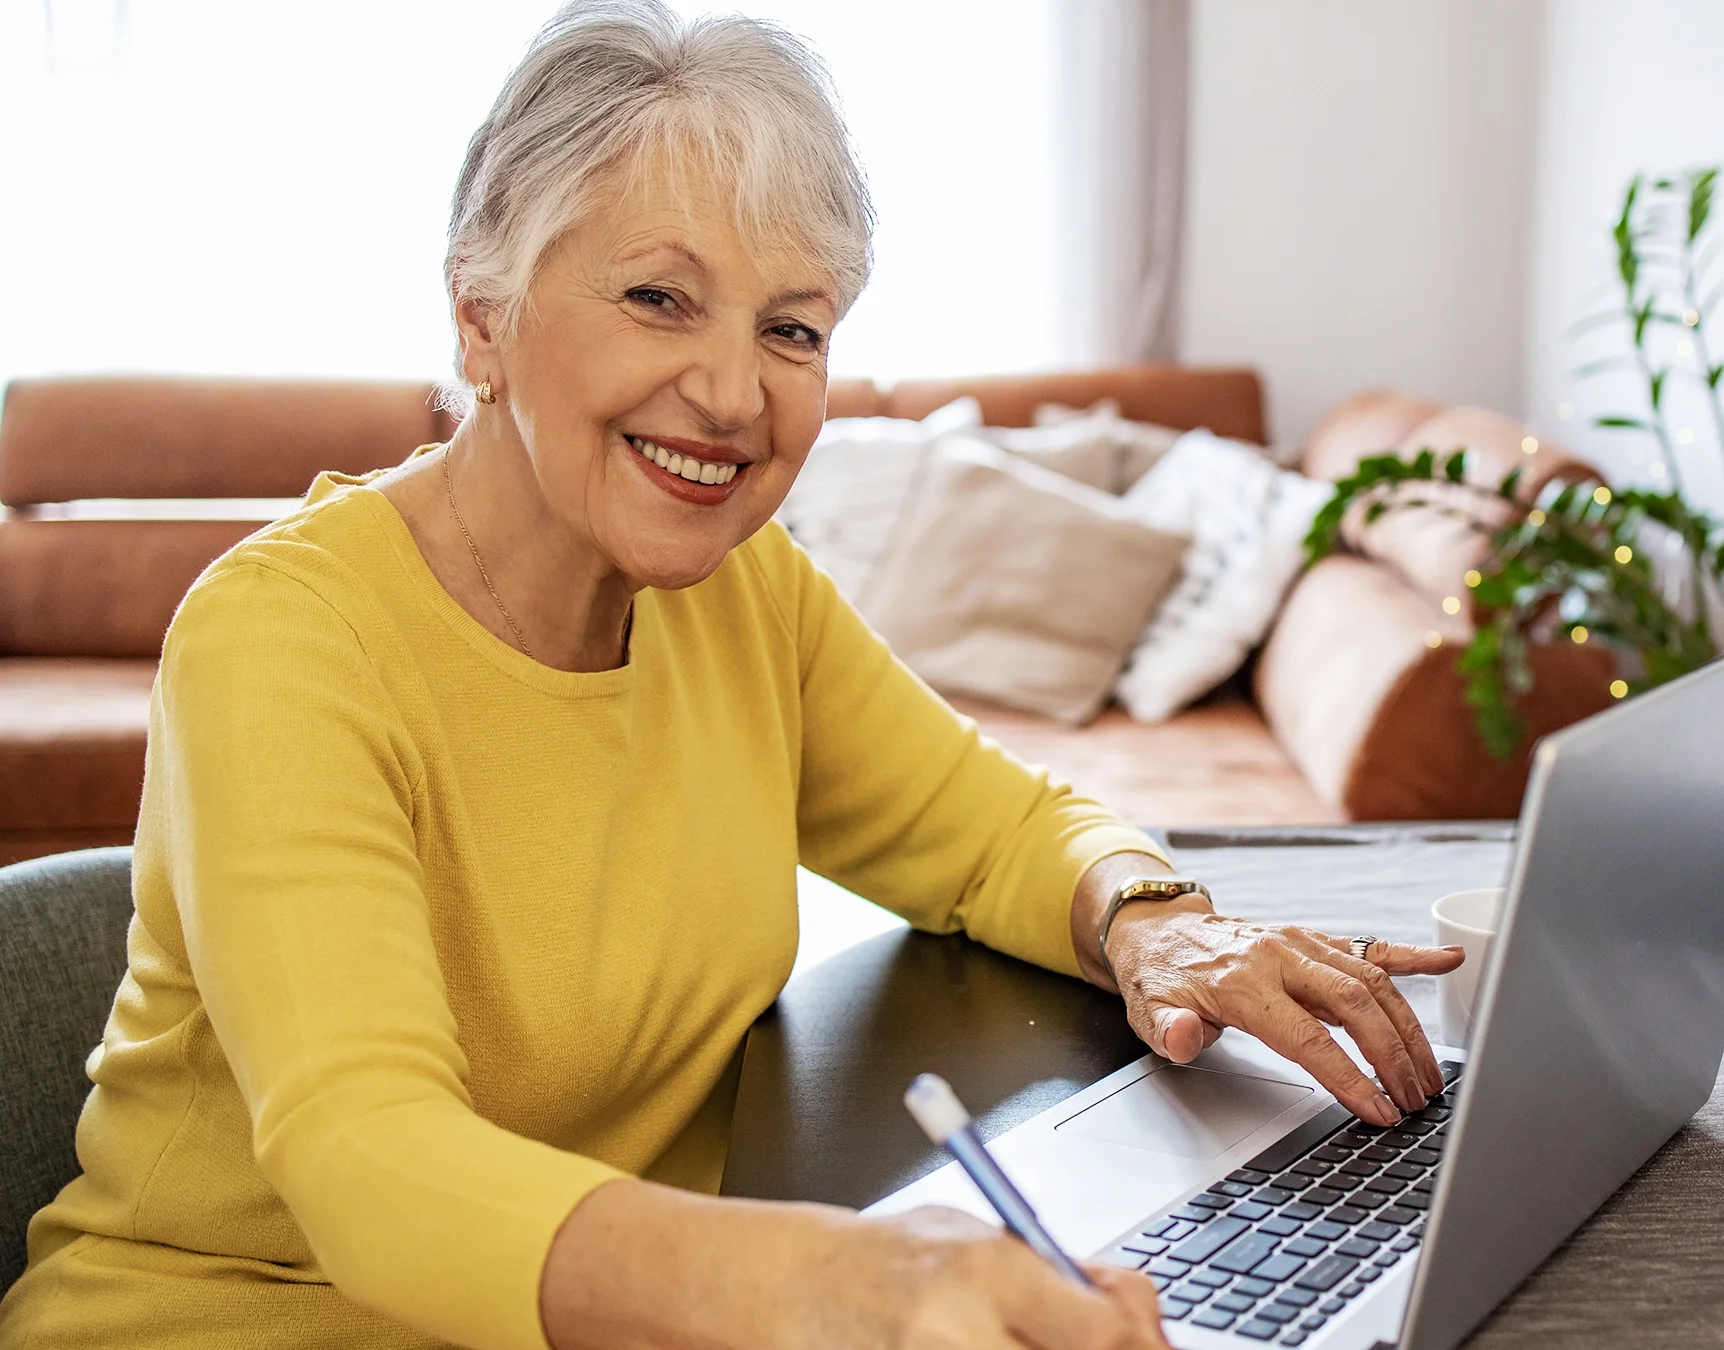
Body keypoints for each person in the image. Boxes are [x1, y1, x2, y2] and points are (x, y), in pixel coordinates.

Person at [0, 3, 1463, 1347]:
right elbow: (368, 1165)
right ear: (482, 317)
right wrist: (854, 1277)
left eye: (792, 328)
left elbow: (998, 827)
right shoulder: (288, 639)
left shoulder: (740, 595)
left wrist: (1156, 924)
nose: (732, 391)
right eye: (657, 296)